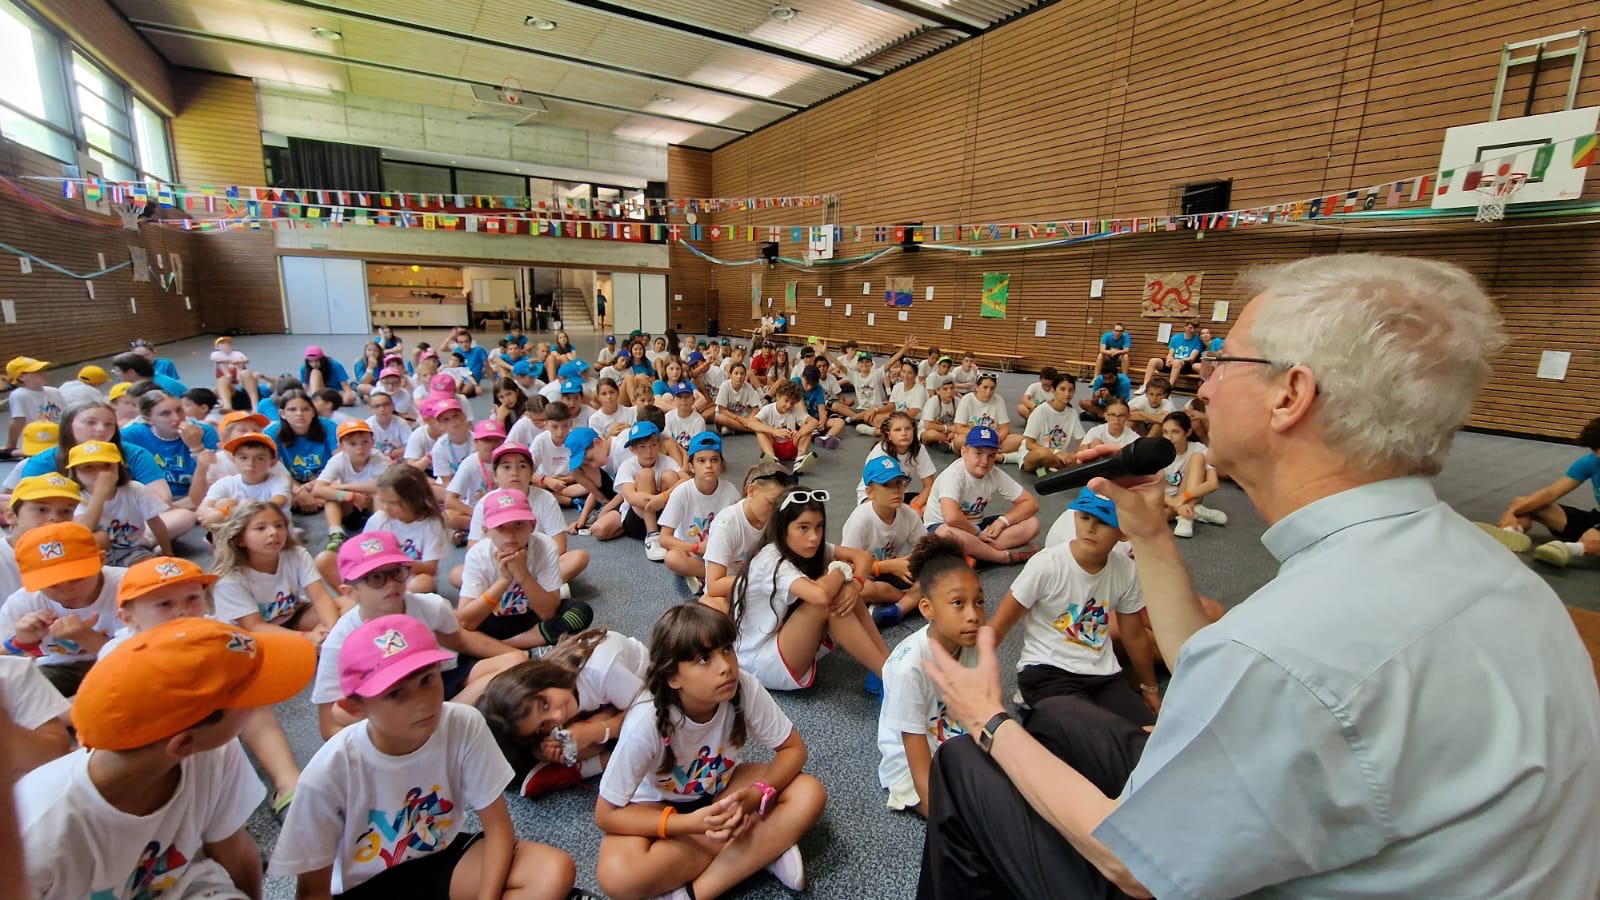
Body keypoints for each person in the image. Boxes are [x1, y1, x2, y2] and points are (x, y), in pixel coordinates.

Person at [916, 254, 1600, 899]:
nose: (1203, 383)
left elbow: (1135, 867)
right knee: (1063, 726)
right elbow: (1204, 661)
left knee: (968, 763)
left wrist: (986, 718)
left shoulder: (1289, 649)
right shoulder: (1478, 564)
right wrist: (1150, 532)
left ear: (1291, 394)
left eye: (1223, 361)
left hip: (1164, 872)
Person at [273, 613, 575, 900]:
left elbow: (498, 828)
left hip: (436, 858)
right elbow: (313, 891)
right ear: (356, 707)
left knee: (552, 871)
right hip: (361, 886)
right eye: (396, 693)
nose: (422, 703)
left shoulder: (463, 723)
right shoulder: (327, 773)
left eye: (427, 680)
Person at [17, 616, 314, 900]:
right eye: (247, 700)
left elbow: (235, 852)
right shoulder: (36, 833)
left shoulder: (214, 751)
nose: (260, 706)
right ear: (184, 743)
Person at [593, 603, 824, 900]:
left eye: (727, 649)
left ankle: (694, 893)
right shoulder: (645, 722)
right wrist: (690, 823)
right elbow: (607, 814)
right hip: (658, 808)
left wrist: (755, 795)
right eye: (704, 659)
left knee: (809, 792)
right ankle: (762, 847)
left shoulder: (742, 687)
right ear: (673, 677)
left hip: (722, 791)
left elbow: (793, 749)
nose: (725, 666)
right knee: (618, 877)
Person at [311, 531, 525, 738]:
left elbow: (460, 639)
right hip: (388, 705)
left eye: (397, 571)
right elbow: (329, 726)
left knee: (515, 661)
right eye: (376, 578)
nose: (391, 583)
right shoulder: (339, 641)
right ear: (350, 592)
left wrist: (521, 657)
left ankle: (439, 721)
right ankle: (435, 727)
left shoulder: (429, 605)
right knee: (341, 713)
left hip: (432, 684)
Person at [989, 490, 1160, 725]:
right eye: (1084, 517)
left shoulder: (1127, 571)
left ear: (1123, 533)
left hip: (1103, 675)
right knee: (1094, 737)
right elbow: (998, 626)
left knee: (1146, 736)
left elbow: (1134, 634)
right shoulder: (1046, 564)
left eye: (1103, 521)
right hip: (1047, 670)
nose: (1090, 528)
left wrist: (1149, 688)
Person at [732, 488, 889, 694]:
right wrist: (841, 569)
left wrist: (855, 584)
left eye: (819, 526)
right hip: (760, 661)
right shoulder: (770, 560)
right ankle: (892, 680)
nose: (814, 537)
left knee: (845, 592)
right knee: (829, 601)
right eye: (803, 528)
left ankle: (888, 664)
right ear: (782, 528)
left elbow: (863, 557)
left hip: (783, 639)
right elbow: (820, 595)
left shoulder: (805, 546)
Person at [877, 535, 982, 817]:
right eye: (958, 603)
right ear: (927, 608)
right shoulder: (909, 667)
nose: (974, 615)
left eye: (979, 601)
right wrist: (945, 817)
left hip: (959, 740)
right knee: (965, 818)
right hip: (912, 763)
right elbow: (918, 760)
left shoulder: (975, 643)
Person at [477, 627, 646, 798]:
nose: (557, 716)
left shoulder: (602, 671)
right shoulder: (556, 689)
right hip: (612, 704)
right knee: (529, 754)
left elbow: (648, 716)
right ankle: (551, 759)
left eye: (544, 705)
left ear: (541, 679)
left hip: (651, 699)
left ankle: (590, 764)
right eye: (542, 725)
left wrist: (595, 730)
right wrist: (550, 747)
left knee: (640, 744)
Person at [457, 489, 595, 650]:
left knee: (580, 612)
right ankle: (517, 647)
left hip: (531, 617)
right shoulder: (477, 555)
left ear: (532, 525)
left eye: (518, 525)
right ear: (486, 530)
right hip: (493, 619)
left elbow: (548, 613)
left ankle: (503, 647)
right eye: (500, 527)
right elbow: (467, 621)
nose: (510, 535)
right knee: (453, 626)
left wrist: (523, 575)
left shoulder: (545, 546)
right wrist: (504, 580)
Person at [1477, 414, 1600, 567]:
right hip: (1596, 517)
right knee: (1522, 503)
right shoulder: (1591, 461)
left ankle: (1569, 549)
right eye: (1595, 449)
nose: (1597, 454)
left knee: (1592, 537)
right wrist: (1512, 512)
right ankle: (1511, 533)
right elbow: (1551, 493)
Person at [211, 500, 341, 641]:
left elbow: (320, 597)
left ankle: (320, 643)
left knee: (349, 605)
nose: (274, 532)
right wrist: (307, 638)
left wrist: (331, 631)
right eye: (260, 528)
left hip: (291, 617)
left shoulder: (297, 554)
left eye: (279, 525)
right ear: (240, 539)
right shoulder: (229, 580)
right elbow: (255, 626)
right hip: (253, 638)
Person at [925, 426, 1040, 565]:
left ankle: (974, 553)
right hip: (943, 527)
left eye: (991, 455)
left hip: (976, 527)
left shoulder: (994, 473)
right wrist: (978, 534)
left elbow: (1030, 503)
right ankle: (1001, 557)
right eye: (978, 453)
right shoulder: (954, 475)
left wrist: (1002, 522)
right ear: (964, 452)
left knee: (1032, 523)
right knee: (946, 536)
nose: (985, 461)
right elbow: (951, 517)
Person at [842, 457, 928, 628]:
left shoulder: (908, 514)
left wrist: (917, 560)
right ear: (870, 492)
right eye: (886, 485)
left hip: (894, 573)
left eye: (899, 483)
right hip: (863, 578)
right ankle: (913, 602)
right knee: (863, 589)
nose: (896, 490)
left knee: (936, 574)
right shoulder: (861, 519)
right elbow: (846, 567)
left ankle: (895, 609)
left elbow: (926, 547)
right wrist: (886, 566)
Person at [659, 432, 742, 595]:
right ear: (691, 466)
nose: (709, 465)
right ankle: (718, 577)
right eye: (701, 461)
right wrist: (696, 547)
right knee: (672, 558)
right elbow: (664, 538)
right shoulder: (682, 493)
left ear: (721, 464)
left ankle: (703, 576)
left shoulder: (730, 491)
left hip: (719, 552)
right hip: (690, 551)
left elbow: (739, 525)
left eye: (714, 460)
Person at [67, 440, 173, 564]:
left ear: (119, 467)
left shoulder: (134, 489)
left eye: (106, 465)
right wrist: (100, 494)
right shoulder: (74, 496)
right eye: (88, 467)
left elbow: (155, 522)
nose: (99, 472)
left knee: (153, 569)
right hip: (94, 555)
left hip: (133, 550)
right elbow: (83, 530)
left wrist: (168, 551)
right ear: (75, 473)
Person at [700, 462, 792, 605]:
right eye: (771, 503)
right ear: (751, 491)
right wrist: (758, 578)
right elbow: (714, 586)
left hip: (764, 587)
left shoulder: (779, 517)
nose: (776, 511)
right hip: (732, 589)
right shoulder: (726, 524)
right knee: (712, 606)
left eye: (781, 505)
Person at [197, 430, 291, 528]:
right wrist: (211, 515)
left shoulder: (279, 481)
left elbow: (277, 503)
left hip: (270, 530)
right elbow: (203, 509)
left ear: (273, 462)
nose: (250, 463)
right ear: (234, 460)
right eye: (243, 458)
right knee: (224, 503)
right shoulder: (226, 483)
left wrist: (227, 512)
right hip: (239, 529)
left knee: (228, 506)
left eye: (260, 458)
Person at [1157, 411, 1228, 538]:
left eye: (1175, 432)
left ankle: (1186, 518)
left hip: (1188, 496)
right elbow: (1152, 487)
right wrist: (1175, 503)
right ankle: (1193, 511)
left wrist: (1184, 497)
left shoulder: (1198, 449)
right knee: (1160, 517)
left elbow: (1213, 484)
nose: (1169, 437)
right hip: (1163, 498)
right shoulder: (1157, 450)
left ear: (1188, 432)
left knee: (1198, 457)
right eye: (1165, 432)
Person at [1020, 373, 1085, 476]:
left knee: (1081, 456)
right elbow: (1029, 444)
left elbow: (1082, 441)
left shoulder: (1072, 413)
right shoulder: (1041, 410)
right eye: (1062, 389)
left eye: (1071, 390)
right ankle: (1057, 468)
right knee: (1044, 454)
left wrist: (1077, 454)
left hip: (1059, 457)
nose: (1067, 394)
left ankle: (1048, 469)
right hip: (1033, 454)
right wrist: (1056, 452)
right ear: (1054, 390)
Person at [4, 357, 65, 458]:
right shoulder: (19, 395)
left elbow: (67, 415)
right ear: (22, 377)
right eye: (37, 371)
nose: (43, 373)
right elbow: (18, 421)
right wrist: (11, 445)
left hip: (57, 439)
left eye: (43, 370)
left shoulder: (54, 392)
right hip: (36, 441)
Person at [1135, 320, 1202, 395]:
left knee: (1177, 362)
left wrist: (1175, 361)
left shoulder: (1197, 340)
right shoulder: (1176, 338)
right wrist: (1169, 360)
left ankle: (1168, 389)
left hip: (1185, 365)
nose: (1192, 330)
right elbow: (1170, 353)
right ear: (1185, 327)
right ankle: (1145, 385)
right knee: (1153, 361)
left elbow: (1191, 358)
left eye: (1194, 328)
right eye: (1190, 328)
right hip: (1172, 362)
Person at [210, 336, 260, 410]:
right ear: (217, 347)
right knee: (222, 379)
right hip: (231, 389)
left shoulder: (237, 353)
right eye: (222, 343)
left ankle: (255, 405)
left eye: (228, 343)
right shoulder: (216, 354)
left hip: (243, 383)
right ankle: (227, 406)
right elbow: (214, 358)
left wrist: (239, 361)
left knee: (245, 373)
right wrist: (230, 360)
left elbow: (246, 360)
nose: (226, 345)